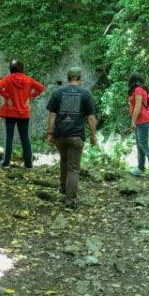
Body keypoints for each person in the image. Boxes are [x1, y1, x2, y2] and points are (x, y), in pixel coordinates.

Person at [46, 67, 98, 209]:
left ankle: (63, 188)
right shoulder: (85, 94)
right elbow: (91, 118)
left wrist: (50, 133)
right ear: (80, 79)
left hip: (60, 136)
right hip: (76, 137)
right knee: (73, 168)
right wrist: (93, 135)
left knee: (64, 160)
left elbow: (52, 115)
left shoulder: (58, 93)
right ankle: (70, 201)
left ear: (68, 78)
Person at [0, 59, 45, 169]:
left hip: (10, 112)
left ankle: (6, 163)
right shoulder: (28, 79)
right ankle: (28, 164)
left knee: (9, 137)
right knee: (25, 138)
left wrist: (7, 96)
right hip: (24, 113)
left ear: (11, 68)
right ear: (22, 68)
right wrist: (29, 97)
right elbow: (41, 87)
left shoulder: (7, 79)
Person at [127, 72, 149, 181]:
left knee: (143, 145)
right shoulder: (139, 90)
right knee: (139, 145)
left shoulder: (138, 90)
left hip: (142, 120)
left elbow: (137, 107)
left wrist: (132, 121)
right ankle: (140, 168)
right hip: (139, 121)